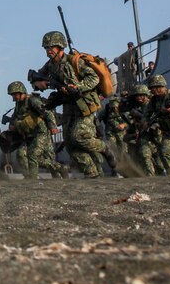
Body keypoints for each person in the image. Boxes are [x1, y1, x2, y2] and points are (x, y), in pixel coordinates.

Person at [37, 31, 117, 178]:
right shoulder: (50, 66)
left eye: (51, 47)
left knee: (79, 137)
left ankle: (105, 148)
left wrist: (78, 87)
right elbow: (37, 78)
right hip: (68, 105)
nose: (48, 50)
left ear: (60, 47)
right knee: (70, 144)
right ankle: (92, 174)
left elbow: (94, 78)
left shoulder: (74, 61)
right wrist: (39, 83)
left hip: (84, 104)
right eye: (46, 48)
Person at [6, 81, 65, 179]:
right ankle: (29, 175)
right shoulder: (18, 105)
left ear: (21, 92)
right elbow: (14, 117)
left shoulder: (32, 100)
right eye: (12, 95)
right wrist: (12, 125)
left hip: (40, 132)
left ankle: (34, 178)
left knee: (35, 155)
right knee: (21, 154)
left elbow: (47, 112)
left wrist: (53, 127)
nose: (13, 97)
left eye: (14, 95)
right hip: (28, 135)